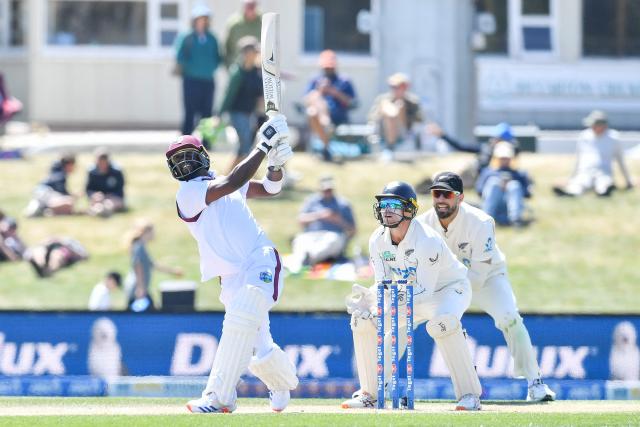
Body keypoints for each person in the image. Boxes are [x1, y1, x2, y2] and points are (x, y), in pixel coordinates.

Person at [166, 114, 298, 413]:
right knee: (258, 341)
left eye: (188, 156)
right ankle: (282, 382)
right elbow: (234, 180)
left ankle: (219, 398)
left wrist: (275, 164)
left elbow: (270, 188)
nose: (184, 163)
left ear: (203, 156)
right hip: (230, 276)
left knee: (240, 320)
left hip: (259, 259)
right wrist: (264, 145)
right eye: (177, 159)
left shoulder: (222, 182)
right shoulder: (188, 194)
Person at [342, 181, 482, 411]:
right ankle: (370, 394)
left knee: (442, 324)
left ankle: (469, 395)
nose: (387, 210)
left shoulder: (427, 241)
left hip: (446, 290)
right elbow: (383, 282)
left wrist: (390, 304)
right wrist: (371, 298)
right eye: (384, 204)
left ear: (409, 210)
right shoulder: (377, 239)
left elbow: (425, 290)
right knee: (363, 320)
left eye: (393, 205)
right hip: (407, 292)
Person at [418, 171, 556, 402]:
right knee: (405, 317)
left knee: (510, 317)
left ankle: (535, 383)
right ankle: (382, 385)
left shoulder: (481, 222)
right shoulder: (422, 225)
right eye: (436, 193)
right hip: (444, 283)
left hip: (486, 278)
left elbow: (479, 276)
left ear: (460, 198)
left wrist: (452, 299)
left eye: (447, 194)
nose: (440, 199)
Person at [553, 110, 634, 197]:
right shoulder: (584, 136)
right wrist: (571, 178)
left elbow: (621, 161)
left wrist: (628, 181)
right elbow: (578, 160)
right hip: (585, 171)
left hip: (604, 172)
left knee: (604, 183)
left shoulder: (613, 138)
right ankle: (571, 193)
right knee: (580, 183)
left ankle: (604, 193)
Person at [289, 175, 356, 272]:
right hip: (311, 234)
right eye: (325, 190)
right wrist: (319, 215)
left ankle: (308, 259)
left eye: (329, 190)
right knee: (300, 240)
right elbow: (301, 220)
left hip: (333, 234)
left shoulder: (343, 204)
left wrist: (338, 220)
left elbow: (353, 230)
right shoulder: (311, 201)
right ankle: (299, 262)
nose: (327, 192)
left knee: (331, 241)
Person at [424, 122, 518, 189]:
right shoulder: (486, 148)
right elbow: (461, 146)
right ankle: (431, 182)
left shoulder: (509, 154)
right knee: (444, 177)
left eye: (497, 138)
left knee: (448, 183)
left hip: (479, 179)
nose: (493, 140)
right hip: (470, 172)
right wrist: (443, 135)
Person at [175, 3, 222, 137]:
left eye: (205, 18)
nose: (203, 21)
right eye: (200, 18)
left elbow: (218, 57)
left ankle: (206, 142)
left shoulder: (212, 38)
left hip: (208, 80)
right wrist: (190, 66)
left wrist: (211, 67)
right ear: (194, 20)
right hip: (191, 80)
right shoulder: (187, 37)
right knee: (189, 112)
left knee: (207, 114)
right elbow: (179, 55)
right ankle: (185, 142)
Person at [304, 50, 357, 162]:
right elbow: (306, 100)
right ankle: (326, 131)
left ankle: (325, 147)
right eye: (326, 68)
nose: (328, 70)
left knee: (314, 111)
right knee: (312, 109)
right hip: (319, 117)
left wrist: (334, 92)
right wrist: (320, 91)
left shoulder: (344, 81)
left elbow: (352, 102)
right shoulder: (315, 80)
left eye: (330, 67)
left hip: (338, 115)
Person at [219, 36, 264, 170]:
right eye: (254, 51)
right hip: (237, 113)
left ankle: (234, 175)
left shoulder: (257, 71)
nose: (256, 54)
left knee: (247, 145)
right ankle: (234, 175)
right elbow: (229, 95)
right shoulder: (237, 72)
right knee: (245, 144)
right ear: (246, 53)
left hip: (250, 113)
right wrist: (220, 114)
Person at [124, 219, 183, 312]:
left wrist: (173, 271)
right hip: (137, 289)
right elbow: (137, 265)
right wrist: (140, 288)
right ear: (145, 232)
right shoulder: (139, 246)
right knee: (148, 314)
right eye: (152, 232)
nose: (154, 234)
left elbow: (153, 265)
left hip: (141, 288)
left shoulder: (141, 246)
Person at [368, 73, 424, 160]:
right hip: (383, 131)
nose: (397, 90)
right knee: (388, 109)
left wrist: (401, 111)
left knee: (397, 108)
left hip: (404, 132)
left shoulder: (412, 102)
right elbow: (373, 118)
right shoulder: (382, 99)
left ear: (405, 88)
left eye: (401, 86)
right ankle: (390, 147)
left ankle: (390, 148)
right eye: (394, 87)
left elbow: (419, 120)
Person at [475, 142, 532, 227]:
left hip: (510, 206)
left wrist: (510, 184)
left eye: (507, 158)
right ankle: (486, 219)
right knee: (493, 182)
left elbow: (527, 194)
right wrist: (499, 184)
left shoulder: (519, 174)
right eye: (502, 158)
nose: (505, 160)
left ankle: (515, 220)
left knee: (514, 185)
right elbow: (479, 191)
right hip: (494, 206)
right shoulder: (488, 172)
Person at [85, 149, 126, 217]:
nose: (102, 165)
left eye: (104, 162)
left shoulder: (116, 171)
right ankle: (98, 211)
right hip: (98, 199)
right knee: (98, 203)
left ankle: (101, 211)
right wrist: (94, 195)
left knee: (109, 204)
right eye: (99, 162)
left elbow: (120, 190)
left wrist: (109, 195)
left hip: (114, 198)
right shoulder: (92, 172)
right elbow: (88, 189)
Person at [23, 237, 88, 278]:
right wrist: (48, 242)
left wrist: (63, 243)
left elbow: (84, 256)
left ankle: (47, 271)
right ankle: (42, 268)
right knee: (39, 252)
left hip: (62, 253)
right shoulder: (47, 244)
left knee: (56, 254)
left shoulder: (70, 243)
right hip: (46, 251)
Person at [224, 0, 261, 68]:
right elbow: (227, 49)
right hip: (239, 68)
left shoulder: (263, 21)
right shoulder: (234, 24)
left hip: (258, 69)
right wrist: (229, 66)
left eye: (252, 6)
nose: (250, 9)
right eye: (248, 6)